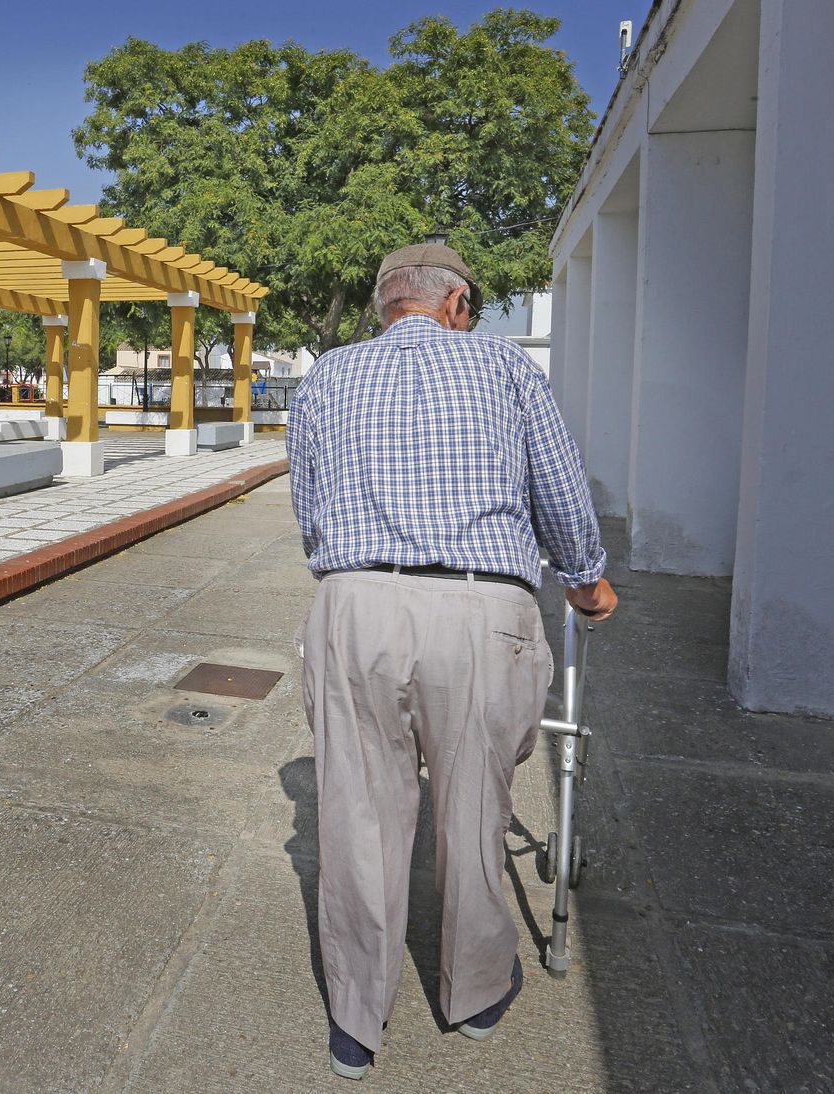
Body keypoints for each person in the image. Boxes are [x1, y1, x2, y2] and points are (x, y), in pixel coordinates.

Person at [285, 242, 617, 1081]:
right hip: (478, 606)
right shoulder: (505, 365)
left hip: (356, 605)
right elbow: (560, 487)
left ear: (385, 306)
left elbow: (309, 506)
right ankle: (471, 994)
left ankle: (357, 1019)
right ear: (458, 303)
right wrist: (585, 580)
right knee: (473, 809)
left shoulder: (329, 375)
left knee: (357, 817)